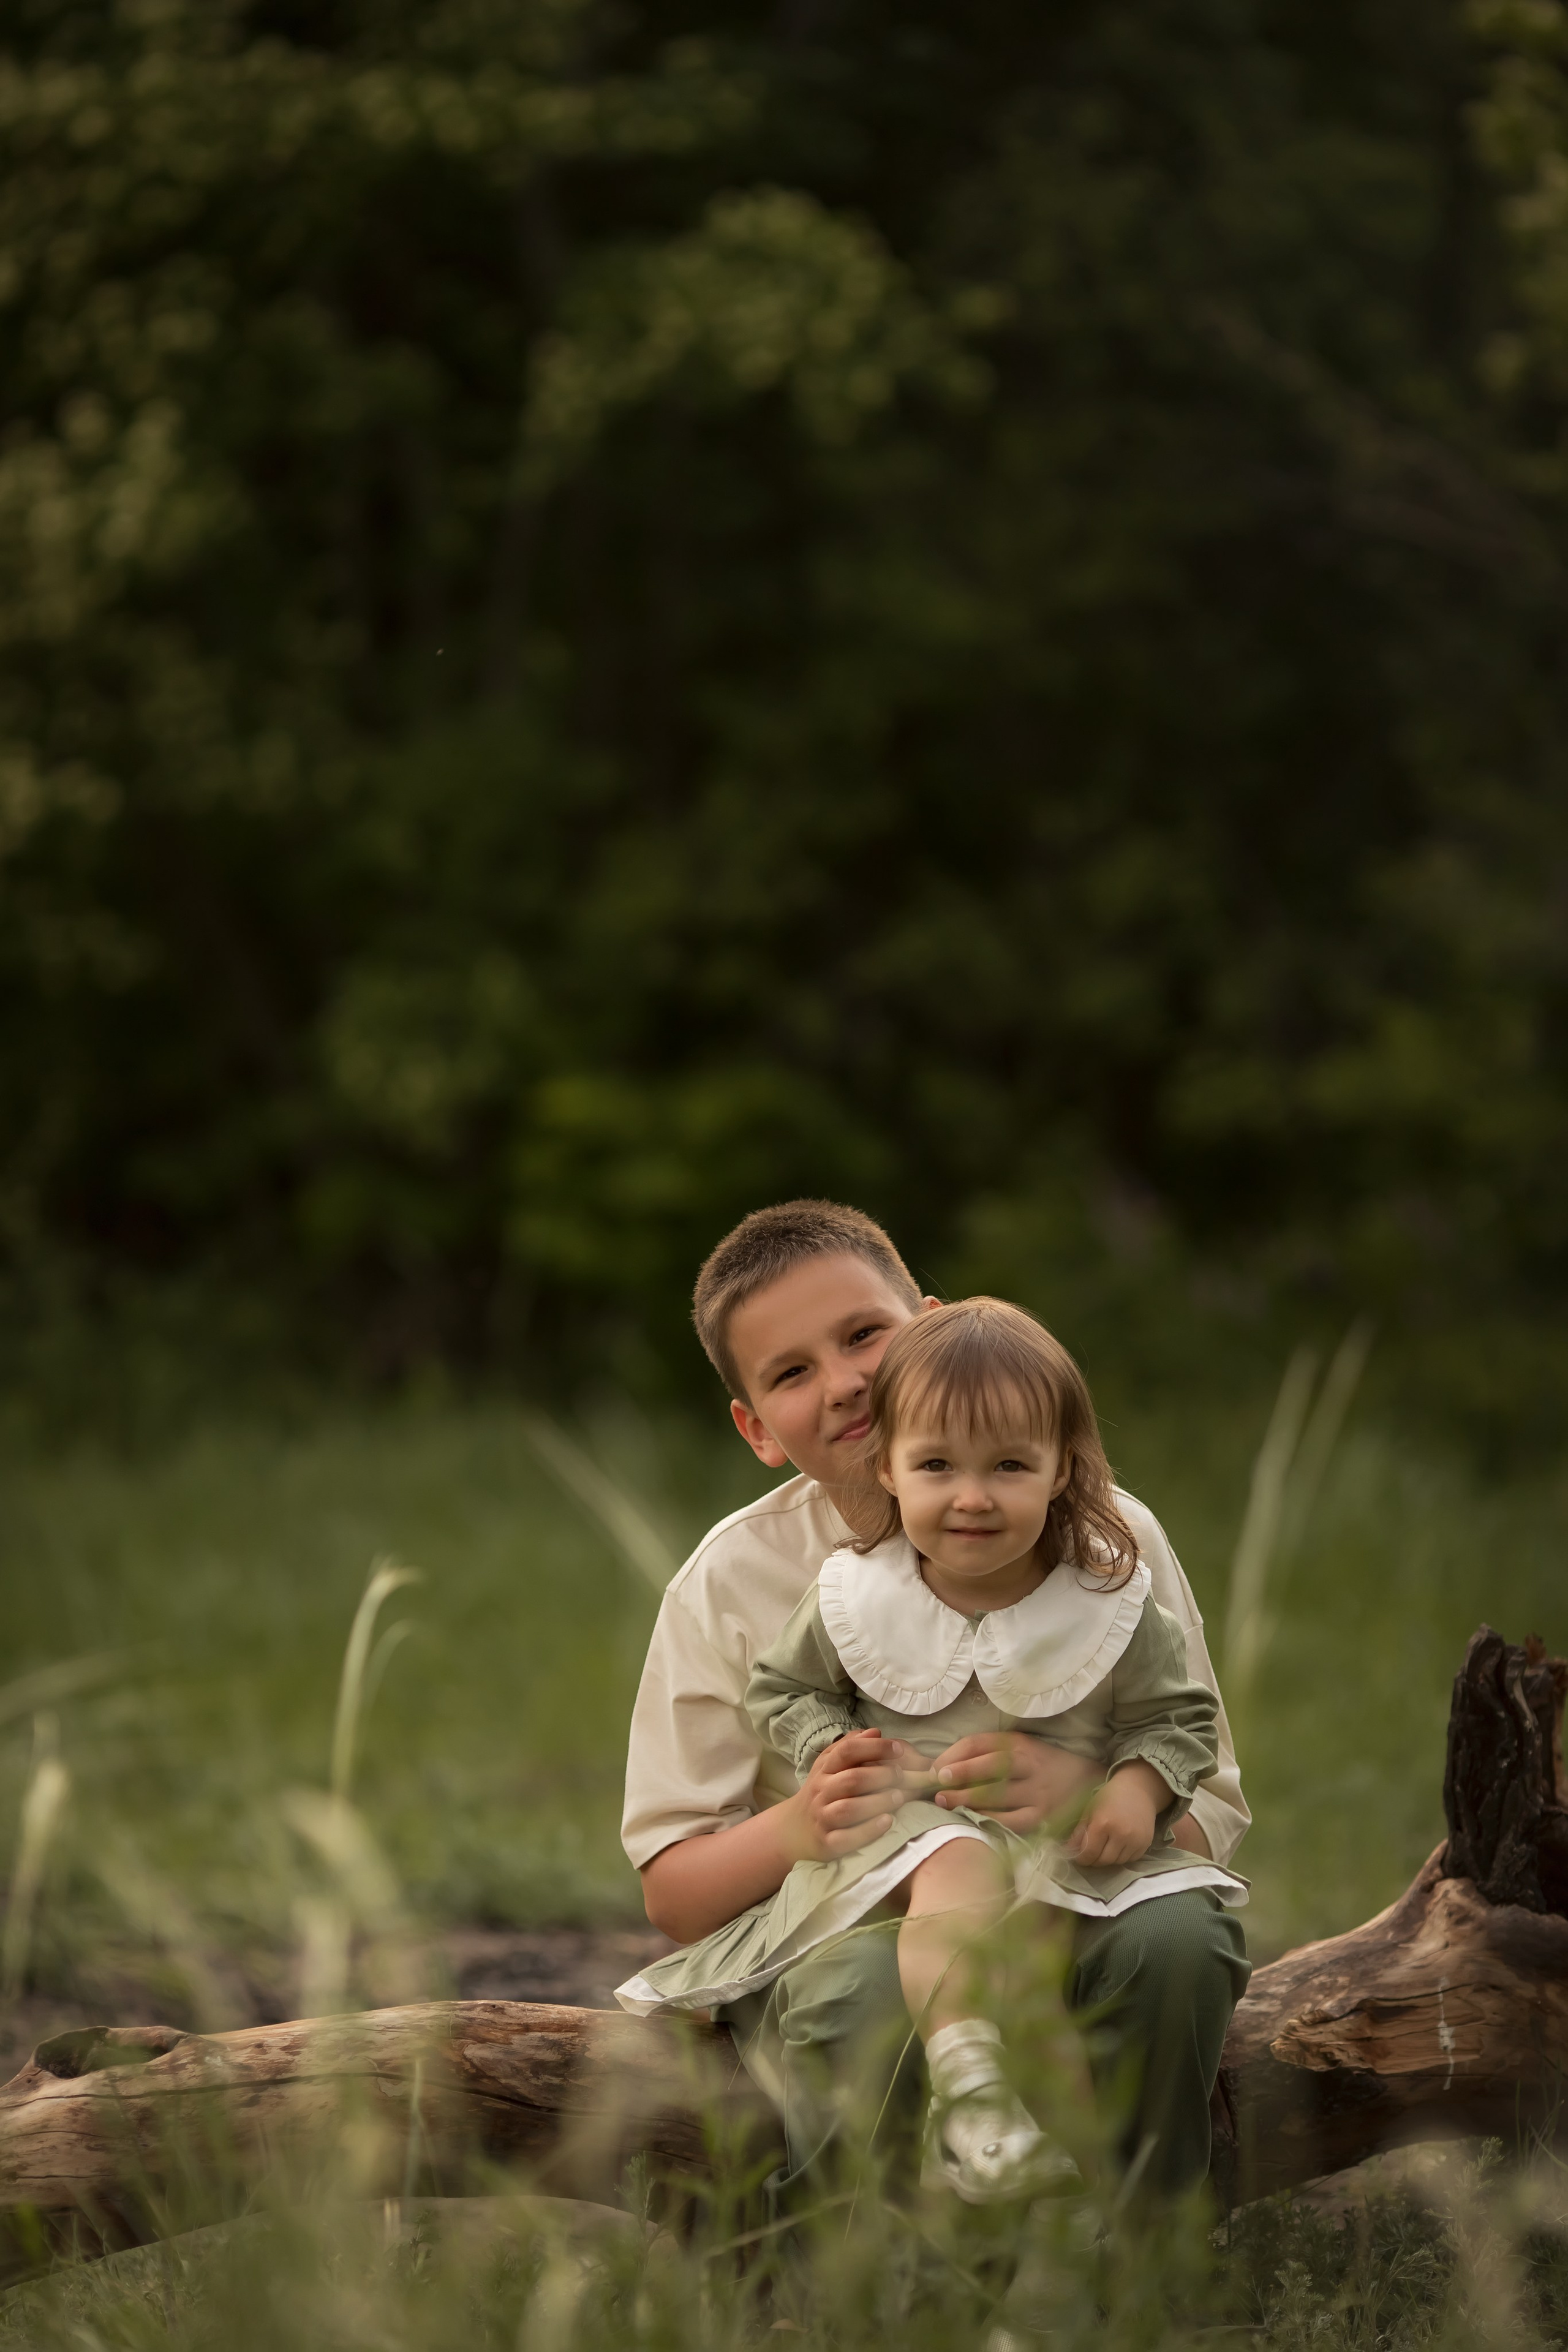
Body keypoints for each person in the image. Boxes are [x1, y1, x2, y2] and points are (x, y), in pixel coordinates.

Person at [619, 1201, 1251, 2201]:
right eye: (791, 1373)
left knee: (1179, 1943)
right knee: (864, 1986)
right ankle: (864, 2265)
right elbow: (674, 1892)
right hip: (853, 1933)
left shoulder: (1105, 1541)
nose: (844, 1381)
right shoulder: (730, 1582)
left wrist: (1091, 1797)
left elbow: (1210, 1801)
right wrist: (803, 1823)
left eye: (863, 1334)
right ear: (757, 1430)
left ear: (934, 1325)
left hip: (1085, 1899)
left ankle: (1137, 2247)